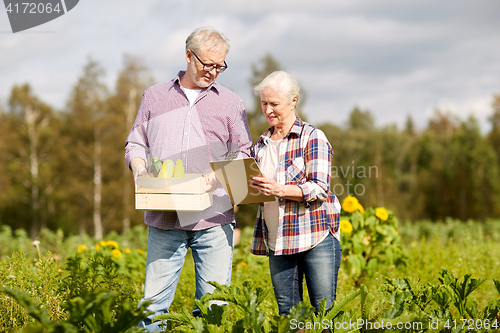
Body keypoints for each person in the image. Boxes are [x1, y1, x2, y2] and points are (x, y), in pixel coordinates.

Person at [125, 27, 252, 331]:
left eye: (220, 65)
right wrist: (140, 170)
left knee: (213, 309)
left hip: (214, 219)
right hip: (165, 217)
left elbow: (244, 152)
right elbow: (136, 142)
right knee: (153, 307)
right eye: (207, 64)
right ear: (188, 55)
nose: (213, 72)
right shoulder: (154, 96)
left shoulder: (231, 103)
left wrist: (217, 174)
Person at [249, 71, 341, 322]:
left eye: (274, 104)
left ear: (293, 101)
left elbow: (320, 187)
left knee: (325, 314)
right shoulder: (260, 145)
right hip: (277, 241)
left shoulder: (312, 136)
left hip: (315, 238)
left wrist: (280, 189)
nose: (268, 110)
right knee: (288, 317)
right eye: (264, 103)